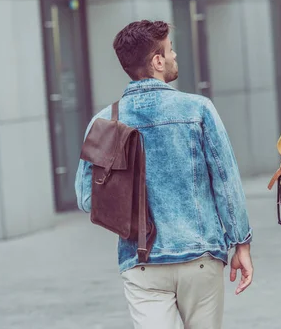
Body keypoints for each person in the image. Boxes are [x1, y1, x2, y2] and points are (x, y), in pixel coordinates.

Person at [74, 20, 253, 329]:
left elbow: (87, 198)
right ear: (157, 61)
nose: (174, 55)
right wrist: (242, 244)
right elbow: (226, 183)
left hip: (141, 262)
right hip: (200, 256)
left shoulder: (103, 122)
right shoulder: (198, 109)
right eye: (170, 50)